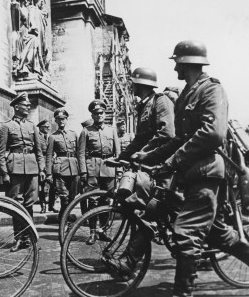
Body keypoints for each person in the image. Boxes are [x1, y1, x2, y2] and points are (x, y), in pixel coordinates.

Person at [133, 40, 249, 297]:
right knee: (219, 236)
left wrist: (173, 162)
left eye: (177, 62)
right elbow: (178, 139)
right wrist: (151, 157)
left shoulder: (211, 90)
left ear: (186, 63)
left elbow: (213, 134)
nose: (175, 67)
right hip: (192, 173)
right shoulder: (187, 93)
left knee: (185, 234)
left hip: (206, 172)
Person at [102, 67, 175, 279]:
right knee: (142, 209)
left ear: (140, 84)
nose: (130, 85)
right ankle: (129, 261)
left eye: (133, 82)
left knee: (153, 210)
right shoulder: (144, 106)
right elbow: (140, 139)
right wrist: (123, 157)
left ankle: (130, 262)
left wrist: (142, 155)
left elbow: (167, 134)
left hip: (166, 167)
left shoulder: (160, 101)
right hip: (152, 167)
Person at [0, 91, 45, 252]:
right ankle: (19, 238)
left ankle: (29, 238)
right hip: (15, 167)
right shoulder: (6, 126)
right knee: (16, 204)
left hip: (32, 167)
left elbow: (39, 150)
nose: (28, 107)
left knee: (30, 202)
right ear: (16, 107)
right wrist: (4, 173)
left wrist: (42, 169)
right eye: (25, 105)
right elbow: (0, 151)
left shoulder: (32, 126)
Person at [78, 100, 121, 244]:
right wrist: (83, 171)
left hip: (109, 168)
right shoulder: (86, 131)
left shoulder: (112, 130)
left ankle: (102, 231)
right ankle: (92, 232)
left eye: (101, 113)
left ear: (105, 114)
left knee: (107, 200)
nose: (99, 115)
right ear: (92, 115)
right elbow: (81, 153)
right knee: (93, 201)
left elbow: (118, 152)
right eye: (96, 113)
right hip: (93, 169)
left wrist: (119, 170)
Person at [46, 108, 79, 219]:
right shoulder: (52, 136)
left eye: (63, 119)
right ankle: (64, 219)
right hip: (59, 169)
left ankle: (63, 216)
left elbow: (79, 153)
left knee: (72, 197)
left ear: (67, 119)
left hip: (74, 168)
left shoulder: (73, 134)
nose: (61, 121)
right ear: (56, 121)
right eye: (59, 119)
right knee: (64, 197)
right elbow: (49, 156)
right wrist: (49, 174)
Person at [37, 119, 57, 214]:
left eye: (49, 127)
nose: (48, 128)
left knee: (53, 185)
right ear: (40, 127)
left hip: (51, 163)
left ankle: (51, 206)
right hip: (40, 162)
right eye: (46, 127)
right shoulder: (36, 137)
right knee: (41, 185)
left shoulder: (51, 137)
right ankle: (43, 206)